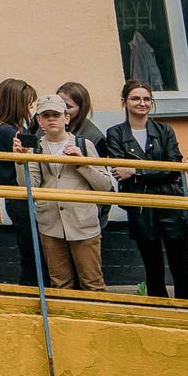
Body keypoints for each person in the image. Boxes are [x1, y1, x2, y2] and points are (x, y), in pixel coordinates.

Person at [102, 79, 188, 300]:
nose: (142, 103)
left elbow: (174, 166)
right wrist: (155, 171)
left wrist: (136, 171)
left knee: (180, 265)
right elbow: (119, 169)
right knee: (153, 267)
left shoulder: (164, 130)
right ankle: (159, 308)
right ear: (124, 101)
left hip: (171, 203)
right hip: (141, 207)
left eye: (146, 99)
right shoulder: (115, 133)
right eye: (135, 98)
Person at [23, 92, 116, 291]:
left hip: (83, 223)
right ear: (39, 121)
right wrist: (20, 160)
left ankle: (97, 312)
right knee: (60, 284)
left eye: (56, 115)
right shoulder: (36, 148)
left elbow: (105, 185)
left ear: (66, 118)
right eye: (45, 115)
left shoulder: (83, 144)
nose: (51, 119)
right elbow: (29, 187)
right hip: (50, 223)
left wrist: (82, 163)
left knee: (92, 283)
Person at [0, 78, 41, 285]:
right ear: (16, 103)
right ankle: (31, 290)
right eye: (28, 102)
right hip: (20, 196)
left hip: (14, 196)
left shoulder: (3, 128)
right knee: (33, 252)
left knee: (30, 250)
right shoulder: (9, 131)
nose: (30, 107)